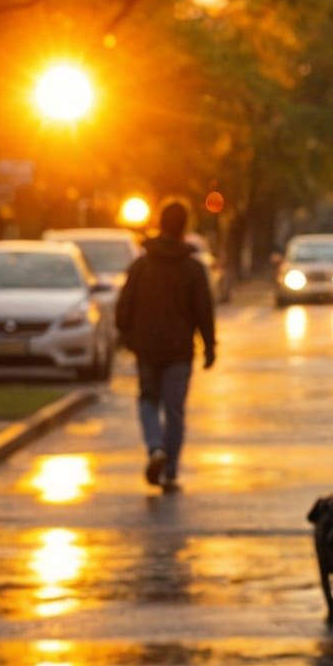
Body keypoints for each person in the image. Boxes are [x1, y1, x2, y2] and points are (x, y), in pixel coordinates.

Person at [115, 198, 216, 490]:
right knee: (174, 410)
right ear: (185, 227)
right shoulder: (193, 269)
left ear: (160, 223)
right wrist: (209, 346)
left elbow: (124, 306)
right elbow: (204, 311)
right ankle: (170, 470)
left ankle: (155, 447)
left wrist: (128, 336)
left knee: (148, 400)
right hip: (179, 351)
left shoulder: (141, 266)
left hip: (146, 348)